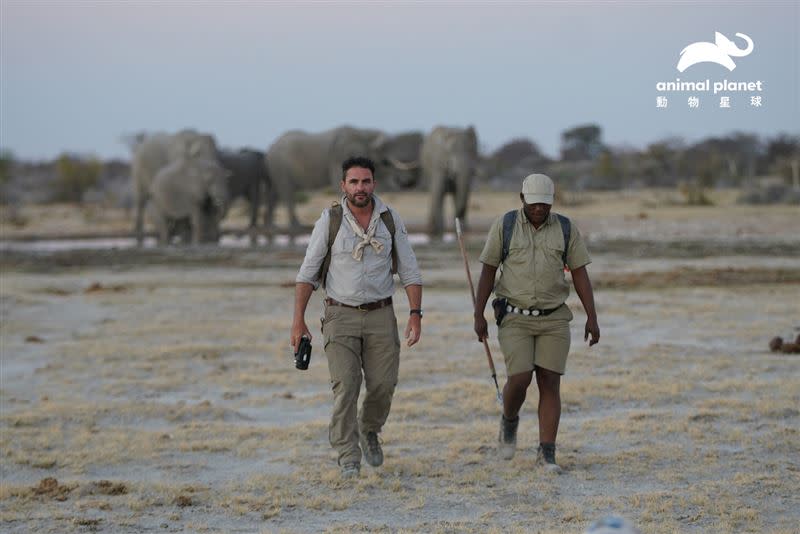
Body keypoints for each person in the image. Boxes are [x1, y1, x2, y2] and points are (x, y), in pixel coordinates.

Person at [291, 156, 423, 479]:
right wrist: (298, 321)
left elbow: (410, 271)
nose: (360, 188)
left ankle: (369, 430)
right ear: (343, 186)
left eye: (365, 181)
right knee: (346, 386)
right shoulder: (330, 220)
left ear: (373, 184)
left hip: (381, 315)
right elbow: (307, 274)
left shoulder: (390, 219)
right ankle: (348, 455)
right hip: (340, 315)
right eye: (354, 182)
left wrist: (415, 315)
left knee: (383, 385)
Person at [473, 173, 599, 472]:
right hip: (514, 316)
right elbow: (488, 271)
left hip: (554, 317)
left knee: (550, 382)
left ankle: (547, 454)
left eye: (544, 204)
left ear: (552, 202)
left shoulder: (566, 229)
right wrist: (478, 315)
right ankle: (510, 418)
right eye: (533, 204)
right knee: (520, 378)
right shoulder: (504, 226)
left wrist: (592, 316)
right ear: (522, 200)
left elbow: (580, 273)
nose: (539, 209)